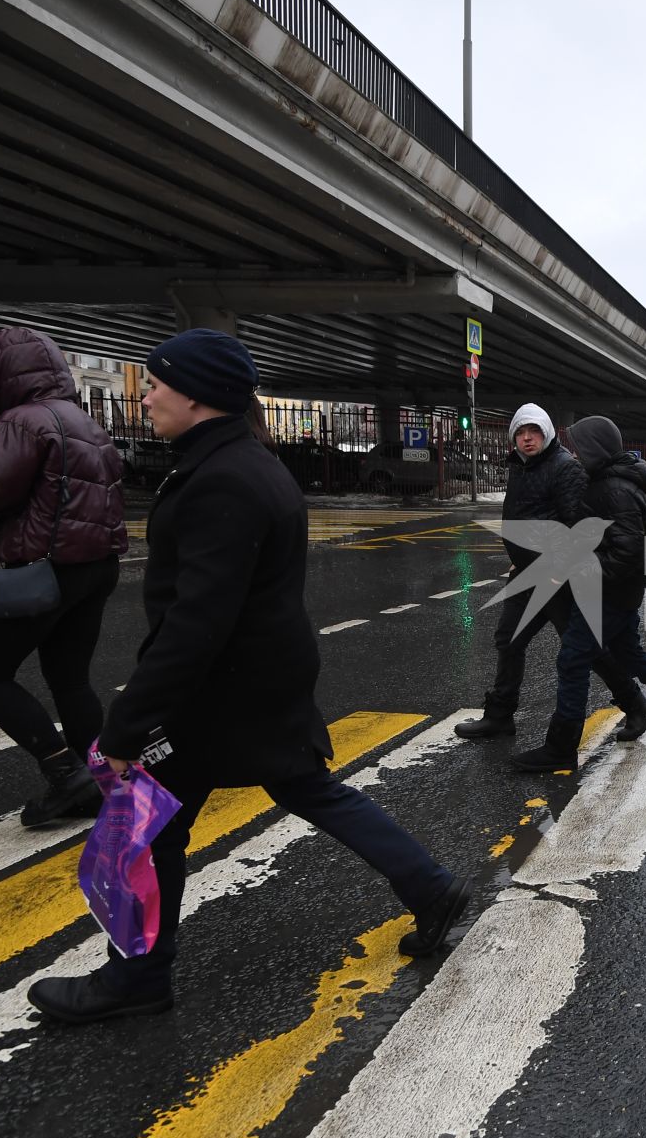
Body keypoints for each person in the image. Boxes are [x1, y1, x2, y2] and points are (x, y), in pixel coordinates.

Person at [26, 330, 469, 1024]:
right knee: (303, 789)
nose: (146, 398)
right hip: (257, 678)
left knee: (146, 829)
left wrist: (127, 723)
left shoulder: (223, 478)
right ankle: (430, 885)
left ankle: (136, 979)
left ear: (198, 393)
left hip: (218, 692)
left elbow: (196, 621)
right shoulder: (242, 463)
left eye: (157, 383)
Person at [0, 328, 128, 828]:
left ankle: (66, 774)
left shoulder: (22, 421)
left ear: (3, 375)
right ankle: (101, 779)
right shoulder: (84, 421)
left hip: (39, 569)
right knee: (71, 679)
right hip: (94, 567)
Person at [512, 416, 646, 772]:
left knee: (572, 660)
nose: (574, 453)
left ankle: (560, 748)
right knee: (632, 657)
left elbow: (626, 555)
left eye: (579, 447)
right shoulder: (610, 483)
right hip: (618, 595)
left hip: (606, 595)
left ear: (595, 449)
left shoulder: (613, 490)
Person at [454, 403, 646, 742]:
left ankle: (635, 703)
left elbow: (579, 526)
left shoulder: (565, 469)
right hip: (528, 573)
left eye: (534, 432)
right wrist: (519, 555)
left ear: (546, 434)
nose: (527, 438)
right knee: (509, 639)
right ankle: (500, 715)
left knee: (583, 649)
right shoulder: (520, 466)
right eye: (521, 432)